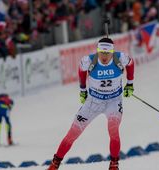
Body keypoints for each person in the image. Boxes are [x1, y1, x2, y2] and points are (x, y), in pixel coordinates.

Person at [47, 37, 134, 170]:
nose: (104, 56)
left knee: (113, 130)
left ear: (112, 52)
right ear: (98, 51)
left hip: (113, 101)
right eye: (101, 53)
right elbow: (81, 71)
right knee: (72, 133)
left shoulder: (120, 58)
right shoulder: (88, 60)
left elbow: (131, 63)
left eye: (107, 53)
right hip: (93, 102)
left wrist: (130, 83)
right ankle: (55, 164)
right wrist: (82, 89)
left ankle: (114, 165)